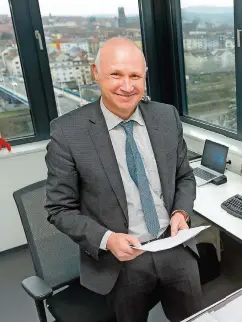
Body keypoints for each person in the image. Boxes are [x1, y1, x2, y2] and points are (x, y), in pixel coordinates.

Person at [45, 37, 202, 322]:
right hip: (120, 260)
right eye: (116, 74)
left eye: (135, 76)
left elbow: (184, 177)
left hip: (173, 245)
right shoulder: (68, 133)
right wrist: (106, 239)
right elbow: (59, 210)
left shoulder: (166, 117)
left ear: (145, 77)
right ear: (95, 73)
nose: (127, 86)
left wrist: (181, 211)